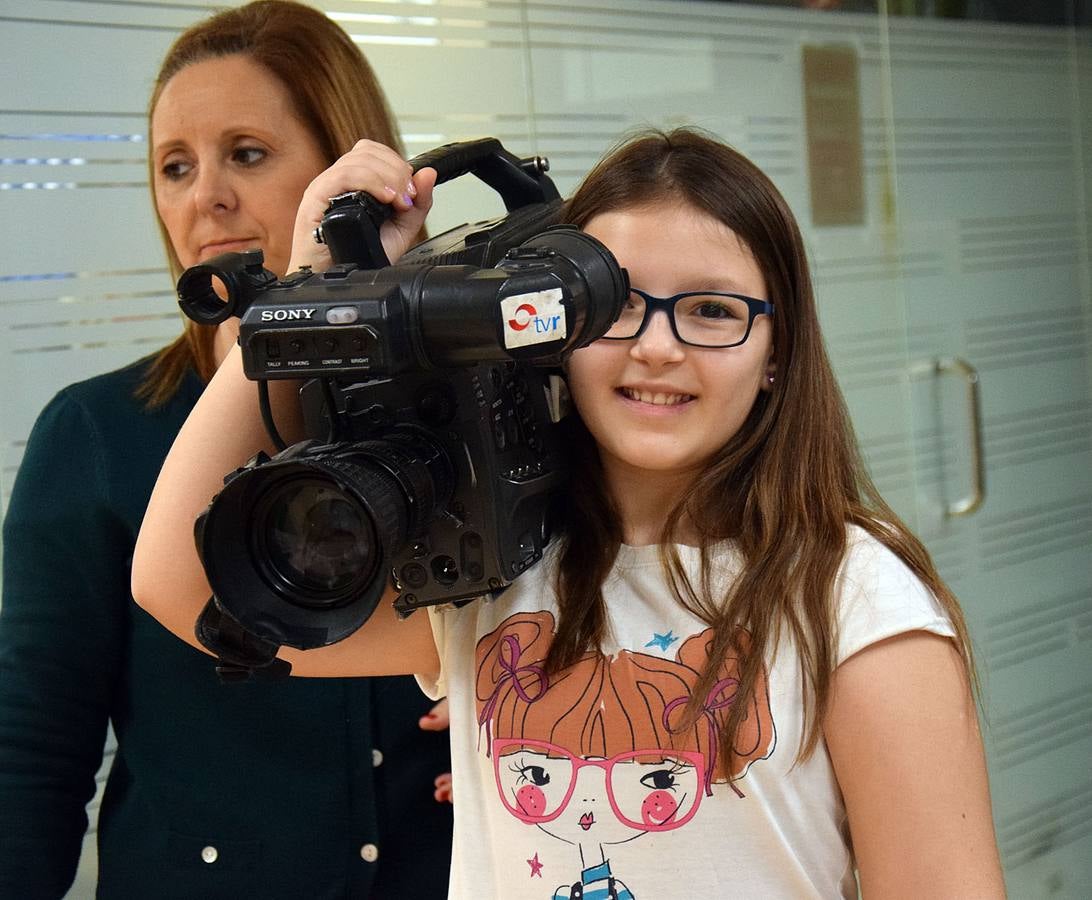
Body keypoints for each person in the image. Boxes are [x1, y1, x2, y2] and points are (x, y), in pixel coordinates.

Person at [131, 127, 1007, 898]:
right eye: (618, 307)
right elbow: (176, 583)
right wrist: (308, 287)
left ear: (776, 352)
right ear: (554, 328)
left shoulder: (856, 604)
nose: (657, 347)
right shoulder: (492, 578)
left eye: (711, 311)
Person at [0, 3, 452, 898]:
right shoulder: (93, 434)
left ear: (351, 172)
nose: (203, 195)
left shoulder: (463, 409)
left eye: (246, 153)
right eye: (174, 166)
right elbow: (32, 754)